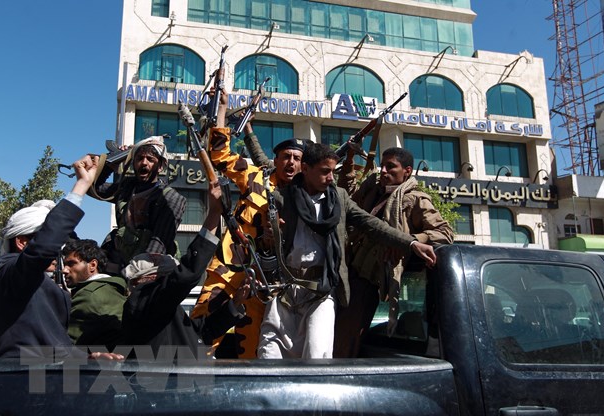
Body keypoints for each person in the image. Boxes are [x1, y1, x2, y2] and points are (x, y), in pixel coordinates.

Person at [257, 143, 437, 359]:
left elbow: (372, 224)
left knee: (317, 356)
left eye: (333, 171)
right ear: (305, 169)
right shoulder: (280, 199)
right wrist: (269, 237)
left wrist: (411, 243)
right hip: (284, 289)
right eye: (325, 171)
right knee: (270, 356)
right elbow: (264, 248)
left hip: (322, 290)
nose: (331, 178)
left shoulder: (339, 198)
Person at [191, 99, 306, 358]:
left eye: (297, 158)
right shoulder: (255, 177)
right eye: (286, 157)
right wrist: (222, 110)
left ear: (303, 165)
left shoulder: (303, 200)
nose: (291, 162)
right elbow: (220, 155)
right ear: (275, 160)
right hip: (229, 270)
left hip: (264, 282)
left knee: (253, 347)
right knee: (201, 330)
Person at [0, 155, 121, 360]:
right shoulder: (6, 271)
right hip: (16, 377)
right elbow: (41, 251)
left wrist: (86, 359)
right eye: (52, 245)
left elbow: (51, 342)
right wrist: (81, 186)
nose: (56, 252)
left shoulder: (40, 284)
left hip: (48, 376)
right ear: (22, 242)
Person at [334, 146, 454, 358]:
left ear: (407, 171)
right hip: (346, 269)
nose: (383, 171)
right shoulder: (374, 191)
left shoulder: (415, 199)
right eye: (382, 166)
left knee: (344, 341)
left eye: (391, 167)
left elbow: (445, 232)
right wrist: (350, 158)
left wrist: (408, 242)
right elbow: (347, 196)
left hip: (369, 278)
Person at [120, 179, 251, 357]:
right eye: (164, 276)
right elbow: (186, 276)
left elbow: (200, 332)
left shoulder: (163, 309)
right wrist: (213, 214)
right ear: (146, 279)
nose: (168, 280)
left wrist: (235, 303)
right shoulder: (142, 301)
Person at [90, 136, 186, 273]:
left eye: (150, 159)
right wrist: (112, 162)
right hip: (119, 263)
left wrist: (135, 274)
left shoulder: (170, 198)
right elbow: (94, 188)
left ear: (160, 166)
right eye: (139, 158)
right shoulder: (126, 189)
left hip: (149, 270)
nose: (144, 163)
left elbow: (159, 244)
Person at [62, 239, 127, 351]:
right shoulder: (111, 288)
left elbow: (68, 345)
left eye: (71, 264)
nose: (64, 270)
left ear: (92, 265)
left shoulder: (88, 295)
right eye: (64, 265)